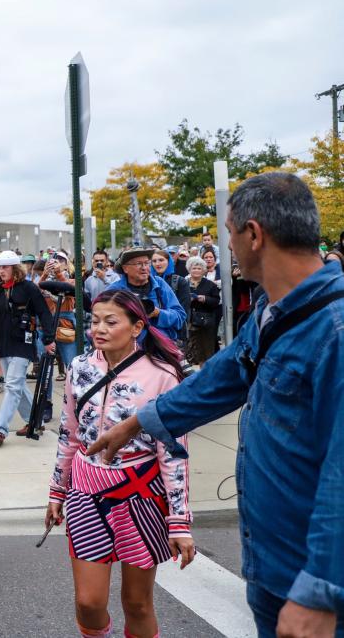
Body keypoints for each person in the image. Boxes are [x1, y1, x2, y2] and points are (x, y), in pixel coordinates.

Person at [88, 173, 344, 637]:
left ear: (253, 234)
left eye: (228, 232)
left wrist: (321, 590)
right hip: (274, 565)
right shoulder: (274, 311)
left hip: (315, 581)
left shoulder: (335, 330)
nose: (226, 245)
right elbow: (225, 376)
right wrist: (138, 423)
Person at [47, 289, 194, 638]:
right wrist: (57, 491)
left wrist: (179, 522)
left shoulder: (162, 375)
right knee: (88, 602)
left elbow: (173, 451)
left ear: (137, 326)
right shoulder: (79, 367)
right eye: (94, 321)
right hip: (86, 492)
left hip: (141, 494)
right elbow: (69, 434)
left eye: (111, 322)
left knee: (138, 603)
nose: (99, 328)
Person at [0, 251, 56, 444]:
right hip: (2, 344)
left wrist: (49, 339)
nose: (2, 271)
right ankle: (34, 421)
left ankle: (1, 429)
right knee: (17, 385)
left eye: (6, 267)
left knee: (11, 386)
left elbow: (44, 313)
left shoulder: (28, 288)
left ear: (15, 268)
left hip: (23, 344)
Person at [107, 247, 187, 343]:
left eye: (147, 263)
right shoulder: (114, 290)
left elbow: (180, 316)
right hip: (127, 349)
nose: (144, 267)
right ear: (125, 268)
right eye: (138, 264)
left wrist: (158, 313)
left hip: (160, 348)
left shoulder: (159, 284)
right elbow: (104, 320)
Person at [41, 251, 77, 381]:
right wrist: (45, 274)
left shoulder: (72, 280)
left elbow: (69, 289)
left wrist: (58, 274)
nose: (57, 262)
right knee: (44, 367)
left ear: (67, 266)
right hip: (46, 325)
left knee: (72, 364)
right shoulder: (45, 281)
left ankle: (75, 397)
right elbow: (35, 292)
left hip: (65, 325)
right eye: (53, 260)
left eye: (61, 260)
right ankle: (46, 398)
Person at [151, 249, 191, 349]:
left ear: (169, 261)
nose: (157, 263)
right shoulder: (147, 282)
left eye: (161, 260)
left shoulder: (179, 281)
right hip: (153, 333)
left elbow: (183, 311)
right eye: (154, 261)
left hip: (174, 333)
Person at [184, 257, 220, 366]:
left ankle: (205, 376)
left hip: (205, 323)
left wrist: (204, 299)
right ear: (189, 269)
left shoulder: (210, 284)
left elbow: (216, 301)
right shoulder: (183, 283)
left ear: (203, 270)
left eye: (199, 268)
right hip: (188, 322)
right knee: (190, 352)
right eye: (194, 268)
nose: (196, 270)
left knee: (206, 352)